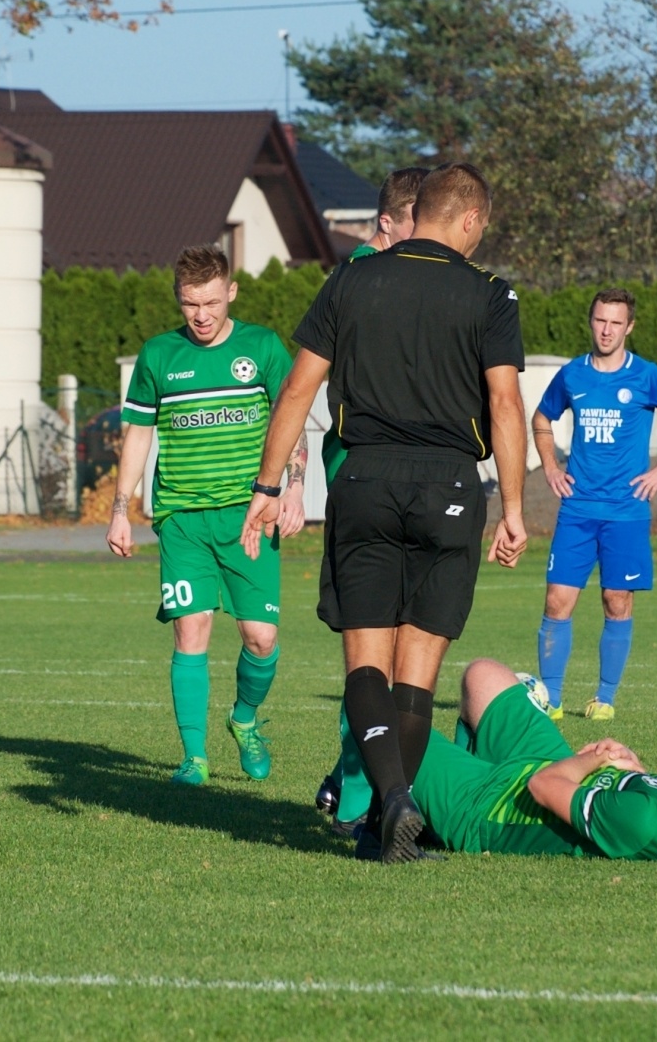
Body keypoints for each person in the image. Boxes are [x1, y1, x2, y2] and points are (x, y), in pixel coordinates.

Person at [242, 162, 529, 863]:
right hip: (451, 487)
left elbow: (297, 391)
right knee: (419, 668)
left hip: (365, 478)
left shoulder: (349, 280)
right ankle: (385, 820)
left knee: (365, 660)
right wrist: (515, 507)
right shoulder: (489, 294)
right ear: (467, 220)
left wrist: (268, 486)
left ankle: (388, 810)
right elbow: (505, 405)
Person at [109, 246, 308, 784]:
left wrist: (294, 488)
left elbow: (290, 423)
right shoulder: (159, 356)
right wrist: (120, 509)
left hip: (250, 517)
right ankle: (193, 757)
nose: (200, 315)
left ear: (232, 293)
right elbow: (138, 435)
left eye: (211, 303)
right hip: (182, 518)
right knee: (190, 629)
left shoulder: (262, 347)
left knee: (260, 637)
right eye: (190, 304)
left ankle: (243, 720)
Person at [411, 659, 657, 865]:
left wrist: (593, 760)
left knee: (386, 715)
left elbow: (543, 788)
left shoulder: (644, 824)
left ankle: (361, 811)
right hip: (546, 763)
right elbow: (646, 788)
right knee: (484, 674)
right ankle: (440, 777)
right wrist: (632, 766)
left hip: (492, 807)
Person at [315, 165, 429, 832]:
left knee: (391, 651)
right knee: (372, 653)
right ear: (388, 225)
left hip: (402, 483)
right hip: (366, 480)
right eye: (421, 227)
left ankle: (350, 781)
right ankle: (362, 805)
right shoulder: (361, 277)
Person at [533, 288, 657, 721]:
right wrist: (550, 465)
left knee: (617, 600)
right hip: (577, 509)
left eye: (615, 323)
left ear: (629, 327)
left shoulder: (646, 377)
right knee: (556, 601)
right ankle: (551, 698)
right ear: (591, 322)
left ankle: (604, 699)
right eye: (600, 320)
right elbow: (541, 418)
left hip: (626, 512)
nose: (606, 330)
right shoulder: (572, 376)